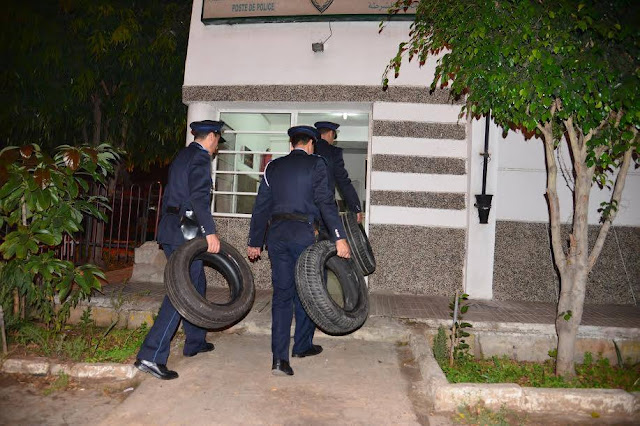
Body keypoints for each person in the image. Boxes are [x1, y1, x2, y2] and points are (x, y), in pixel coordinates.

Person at [247, 125, 351, 376]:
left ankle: (279, 360)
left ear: (291, 143)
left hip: (277, 236)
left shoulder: (273, 167)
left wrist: (255, 241)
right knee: (307, 291)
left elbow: (261, 206)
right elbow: (326, 202)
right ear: (311, 144)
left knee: (282, 296)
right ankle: (302, 345)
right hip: (304, 234)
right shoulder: (317, 164)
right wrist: (339, 237)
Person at [134, 120, 225, 380]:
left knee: (197, 283)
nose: (217, 146)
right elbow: (198, 198)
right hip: (185, 231)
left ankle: (195, 340)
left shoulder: (183, 155)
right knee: (181, 293)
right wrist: (210, 231)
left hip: (173, 228)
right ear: (212, 137)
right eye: (218, 140)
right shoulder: (200, 158)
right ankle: (151, 355)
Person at [314, 121, 363, 224]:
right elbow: (343, 182)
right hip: (326, 210)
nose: (333, 140)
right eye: (334, 136)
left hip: (305, 210)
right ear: (330, 133)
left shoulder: (308, 151)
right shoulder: (333, 152)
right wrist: (355, 207)